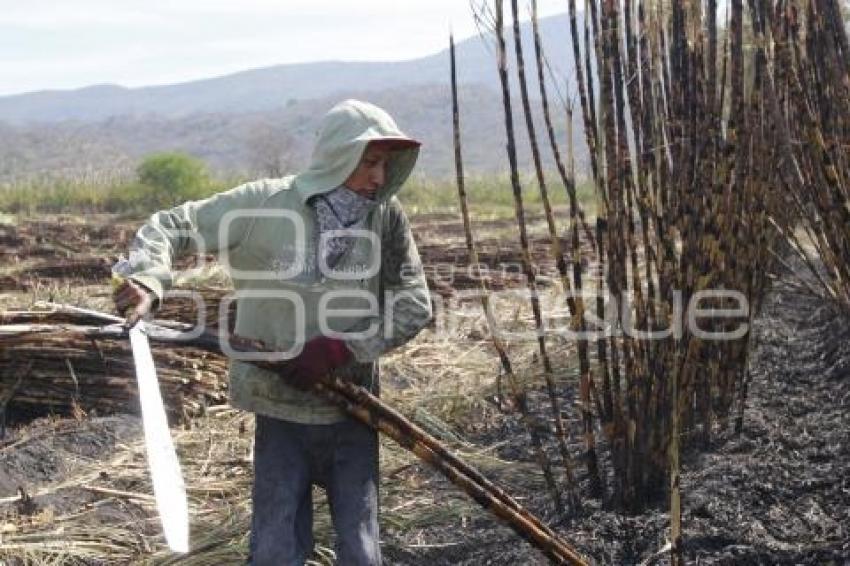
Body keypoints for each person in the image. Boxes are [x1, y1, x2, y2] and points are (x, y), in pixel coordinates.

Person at [113, 99, 433, 565]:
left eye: (386, 163)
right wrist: (147, 279)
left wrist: (345, 346)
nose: (379, 177)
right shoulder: (264, 204)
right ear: (336, 156)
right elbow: (173, 225)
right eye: (370, 161)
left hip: (353, 407)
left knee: (361, 546)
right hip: (278, 404)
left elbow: (414, 301)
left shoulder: (385, 216)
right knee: (276, 545)